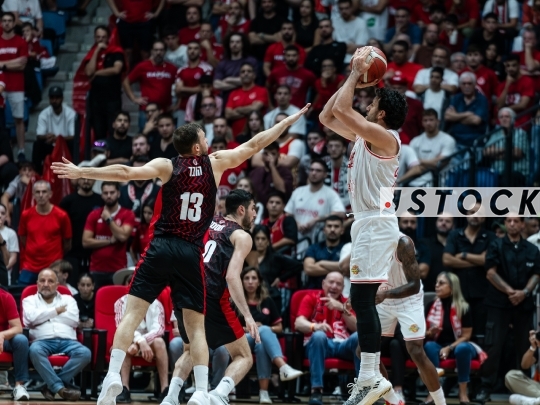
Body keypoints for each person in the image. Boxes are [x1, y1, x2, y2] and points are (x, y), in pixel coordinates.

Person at [52, 106, 310, 405]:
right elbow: (255, 144)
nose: (208, 140)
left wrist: (83, 171)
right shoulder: (216, 163)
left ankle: (112, 375)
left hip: (161, 247)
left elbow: (125, 173)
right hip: (190, 251)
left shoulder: (167, 165)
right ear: (198, 147)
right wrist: (288, 121)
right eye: (204, 137)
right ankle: (200, 391)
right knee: (196, 327)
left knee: (133, 314)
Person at [319, 46, 419, 405]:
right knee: (360, 300)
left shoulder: (386, 138)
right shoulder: (365, 136)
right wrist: (355, 80)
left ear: (381, 113)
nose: (367, 105)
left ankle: (371, 377)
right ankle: (378, 385)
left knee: (362, 300)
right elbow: (328, 116)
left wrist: (354, 75)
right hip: (364, 222)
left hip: (377, 222)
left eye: (372, 102)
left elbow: (343, 110)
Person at [161, 190, 268, 405]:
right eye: (253, 209)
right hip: (211, 296)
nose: (255, 214)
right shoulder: (242, 236)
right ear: (242, 209)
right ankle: (218, 394)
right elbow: (232, 276)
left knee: (191, 350)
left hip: (184, 289)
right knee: (244, 356)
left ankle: (171, 398)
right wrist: (247, 316)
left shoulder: (207, 222)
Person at [359, 233, 447, 405]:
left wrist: (386, 294)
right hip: (383, 299)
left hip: (408, 300)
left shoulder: (403, 243)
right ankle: (393, 399)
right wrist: (354, 296)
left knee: (415, 351)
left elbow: (414, 285)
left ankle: (440, 402)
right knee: (363, 349)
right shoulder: (363, 240)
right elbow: (362, 276)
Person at [476, 216, 540, 403]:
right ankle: (485, 388)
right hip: (498, 303)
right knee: (493, 346)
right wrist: (511, 292)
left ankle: (526, 388)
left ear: (522, 224)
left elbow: (537, 274)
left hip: (524, 304)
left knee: (525, 346)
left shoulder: (532, 249)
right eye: (509, 221)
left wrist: (525, 292)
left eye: (516, 221)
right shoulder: (495, 245)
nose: (512, 224)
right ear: (505, 224)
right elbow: (490, 273)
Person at [23, 269, 92, 401]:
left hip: (68, 341)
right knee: (34, 351)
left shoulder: (68, 299)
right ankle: (60, 388)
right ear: (37, 283)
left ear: (57, 284)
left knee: (85, 353)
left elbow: (73, 320)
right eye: (42, 281)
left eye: (50, 281)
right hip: (41, 341)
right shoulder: (29, 300)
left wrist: (43, 315)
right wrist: (56, 311)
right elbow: (30, 319)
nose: (46, 284)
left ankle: (52, 387)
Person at [294, 271, 359, 405]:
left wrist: (342, 308)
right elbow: (298, 323)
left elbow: (358, 328)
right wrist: (315, 327)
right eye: (331, 282)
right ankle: (316, 391)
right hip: (319, 344)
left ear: (343, 288)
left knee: (360, 337)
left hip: (343, 345)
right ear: (323, 283)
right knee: (319, 336)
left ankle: (363, 391)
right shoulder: (311, 297)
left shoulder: (347, 303)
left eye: (338, 284)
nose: (334, 286)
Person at [241, 267, 303, 403]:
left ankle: (264, 394)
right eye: (246, 278)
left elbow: (279, 328)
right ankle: (283, 367)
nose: (250, 282)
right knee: (263, 330)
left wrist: (264, 329)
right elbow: (228, 327)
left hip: (260, 341)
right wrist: (248, 329)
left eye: (254, 278)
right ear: (241, 281)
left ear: (259, 282)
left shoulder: (267, 301)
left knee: (262, 345)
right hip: (241, 341)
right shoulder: (236, 302)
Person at [424, 272, 484, 404]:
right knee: (429, 346)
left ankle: (463, 392)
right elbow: (423, 333)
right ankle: (434, 392)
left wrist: (449, 347)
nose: (436, 286)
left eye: (441, 283)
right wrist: (430, 332)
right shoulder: (431, 306)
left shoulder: (463, 307)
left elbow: (466, 336)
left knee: (462, 348)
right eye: (436, 282)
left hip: (461, 345)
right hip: (438, 346)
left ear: (452, 287)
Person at [114, 271, 169, 402]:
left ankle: (165, 390)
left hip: (149, 342)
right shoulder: (120, 303)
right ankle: (124, 389)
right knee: (124, 343)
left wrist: (141, 342)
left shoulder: (156, 303)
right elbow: (122, 328)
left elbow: (159, 329)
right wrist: (139, 341)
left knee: (160, 342)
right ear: (127, 286)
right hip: (129, 339)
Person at [82, 181, 136, 290]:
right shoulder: (94, 214)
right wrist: (110, 241)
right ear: (101, 195)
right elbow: (86, 242)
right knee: (97, 298)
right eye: (106, 193)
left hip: (118, 269)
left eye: (112, 192)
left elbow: (122, 237)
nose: (109, 196)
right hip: (97, 268)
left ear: (118, 193)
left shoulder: (127, 214)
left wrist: (108, 219)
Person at [18, 180, 72, 286]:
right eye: (37, 192)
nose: (41, 195)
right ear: (33, 195)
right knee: (22, 293)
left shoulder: (61, 215)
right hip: (30, 265)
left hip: (53, 266)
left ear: (50, 194)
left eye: (44, 192)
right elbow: (23, 238)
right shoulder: (26, 215)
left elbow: (67, 242)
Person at [284, 159, 346, 244]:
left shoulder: (330, 194)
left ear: (325, 174)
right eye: (311, 170)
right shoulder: (298, 192)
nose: (314, 173)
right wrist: (297, 224)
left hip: (319, 242)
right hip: (296, 240)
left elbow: (340, 213)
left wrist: (316, 219)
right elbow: (288, 213)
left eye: (318, 170)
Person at [247, 225, 303, 312]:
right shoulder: (247, 257)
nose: (260, 242)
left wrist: (281, 278)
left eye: (263, 239)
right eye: (257, 238)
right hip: (250, 298)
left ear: (268, 241)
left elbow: (298, 266)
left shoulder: (275, 258)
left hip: (271, 297)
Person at [60, 178, 104, 280]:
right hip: (72, 254)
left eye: (89, 178)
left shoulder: (101, 201)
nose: (86, 181)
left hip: (95, 255)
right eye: (83, 178)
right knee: (72, 286)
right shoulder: (67, 201)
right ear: (78, 180)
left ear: (94, 180)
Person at [0, 13, 28, 162]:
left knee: (19, 119)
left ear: (13, 23)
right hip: (0, 86)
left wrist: (2, 64)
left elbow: (23, 65)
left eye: (10, 21)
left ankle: (21, 151)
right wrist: (14, 62)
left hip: (17, 86)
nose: (7, 23)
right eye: (4, 21)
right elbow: (18, 62)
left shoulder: (21, 41)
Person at [32, 86, 76, 174]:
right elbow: (39, 135)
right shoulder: (44, 114)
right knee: (37, 144)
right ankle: (37, 172)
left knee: (74, 144)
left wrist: (58, 138)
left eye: (57, 97)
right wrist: (47, 136)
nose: (54, 100)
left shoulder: (71, 113)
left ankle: (74, 171)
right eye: (52, 98)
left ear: (62, 98)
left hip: (65, 145)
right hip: (50, 145)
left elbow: (73, 136)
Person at [0, 285, 30, 400]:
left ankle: (19, 386)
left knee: (21, 340)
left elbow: (18, 328)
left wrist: (2, 334)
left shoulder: (5, 297)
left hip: (3, 339)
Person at [304, 216, 345, 289]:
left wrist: (321, 263)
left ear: (342, 230)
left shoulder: (347, 248)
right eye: (329, 226)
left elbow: (352, 269)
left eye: (336, 226)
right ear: (324, 230)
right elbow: (309, 269)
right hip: (314, 290)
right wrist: (340, 268)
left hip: (338, 291)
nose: (332, 229)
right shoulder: (314, 248)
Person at [249, 142, 293, 206]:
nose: (269, 157)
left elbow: (282, 190)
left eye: (273, 154)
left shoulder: (285, 172)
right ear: (262, 155)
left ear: (278, 155)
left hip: (276, 208)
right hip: (256, 208)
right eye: (266, 154)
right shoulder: (254, 172)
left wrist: (272, 166)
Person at [505, 330, 540, 405]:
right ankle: (536, 400)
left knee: (513, 398)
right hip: (537, 388)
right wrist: (532, 347)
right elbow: (525, 365)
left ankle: (532, 401)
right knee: (511, 376)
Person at [0, 203, 18, 285]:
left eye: (3, 213)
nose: (0, 215)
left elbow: (10, 260)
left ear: (6, 216)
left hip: (3, 276)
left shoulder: (11, 233)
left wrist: (2, 242)